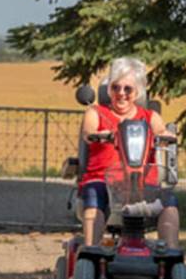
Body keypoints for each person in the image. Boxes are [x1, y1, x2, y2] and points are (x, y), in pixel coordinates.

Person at [76, 57, 179, 248]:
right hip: (103, 179)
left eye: (127, 89)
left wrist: (167, 136)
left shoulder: (149, 117)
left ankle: (171, 255)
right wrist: (100, 135)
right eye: (115, 88)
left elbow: (163, 133)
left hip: (141, 180)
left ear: (137, 92)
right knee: (94, 196)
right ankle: (91, 252)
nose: (121, 94)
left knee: (169, 201)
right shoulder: (95, 113)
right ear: (109, 90)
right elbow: (88, 133)